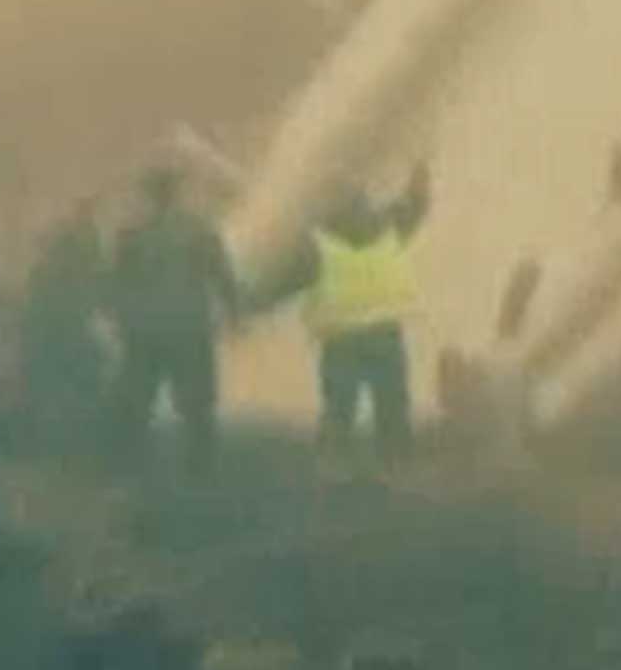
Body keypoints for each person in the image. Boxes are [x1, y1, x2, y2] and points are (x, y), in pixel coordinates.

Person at [257, 164, 431, 468]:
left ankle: (336, 468)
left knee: (339, 410)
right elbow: (416, 208)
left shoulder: (319, 243)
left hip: (343, 340)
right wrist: (419, 181)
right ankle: (396, 467)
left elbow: (281, 287)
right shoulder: (387, 226)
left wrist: (247, 307)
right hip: (385, 334)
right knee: (392, 410)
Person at [109, 165, 240, 476]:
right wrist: (234, 310)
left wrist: (118, 319)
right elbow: (220, 274)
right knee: (197, 403)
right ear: (176, 193)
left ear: (149, 195)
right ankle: (200, 467)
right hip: (189, 326)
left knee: (137, 400)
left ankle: (129, 464)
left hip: (145, 329)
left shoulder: (132, 233)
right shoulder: (198, 230)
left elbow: (116, 282)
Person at [18, 198, 113, 458]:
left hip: (61, 337)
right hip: (66, 336)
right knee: (73, 388)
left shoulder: (49, 270)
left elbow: (35, 305)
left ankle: (61, 443)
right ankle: (72, 444)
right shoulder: (73, 268)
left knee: (63, 389)